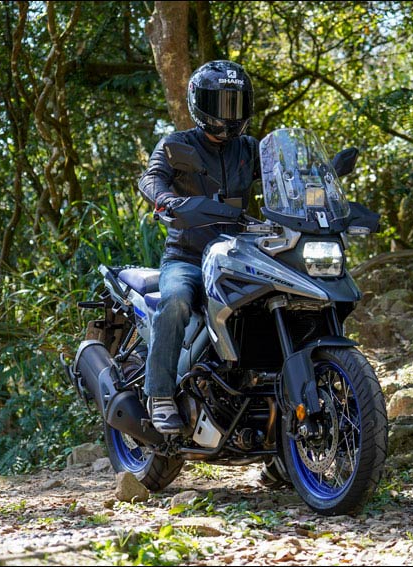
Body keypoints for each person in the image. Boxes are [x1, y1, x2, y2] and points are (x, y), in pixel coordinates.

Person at [137, 60, 259, 434]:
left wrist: (315, 181)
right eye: (220, 103)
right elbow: (151, 179)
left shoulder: (249, 149)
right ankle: (159, 394)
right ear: (199, 103)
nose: (228, 114)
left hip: (237, 256)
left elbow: (282, 176)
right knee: (175, 302)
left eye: (235, 104)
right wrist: (166, 201)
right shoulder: (176, 145)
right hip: (188, 257)